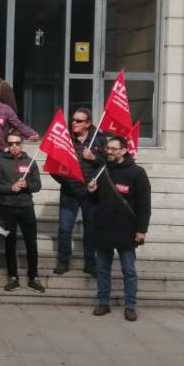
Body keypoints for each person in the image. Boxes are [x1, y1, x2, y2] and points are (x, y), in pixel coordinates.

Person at [88, 135, 151, 322]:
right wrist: (91, 191)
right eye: (108, 148)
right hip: (104, 228)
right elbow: (96, 201)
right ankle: (103, 302)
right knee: (102, 270)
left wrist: (141, 229)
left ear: (124, 150)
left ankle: (130, 306)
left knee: (129, 271)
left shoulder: (137, 173)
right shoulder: (102, 170)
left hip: (126, 229)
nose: (109, 152)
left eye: (114, 149)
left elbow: (144, 205)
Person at [52, 108, 106, 277]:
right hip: (69, 192)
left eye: (79, 120)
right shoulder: (65, 138)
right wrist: (67, 181)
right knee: (64, 229)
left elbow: (108, 163)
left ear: (88, 123)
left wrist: (93, 158)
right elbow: (54, 167)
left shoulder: (99, 138)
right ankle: (63, 261)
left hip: (91, 193)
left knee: (91, 230)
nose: (74, 122)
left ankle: (90, 263)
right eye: (73, 119)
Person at [0, 135, 46, 293]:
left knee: (31, 242)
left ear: (22, 144)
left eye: (17, 143)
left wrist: (26, 185)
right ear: (6, 145)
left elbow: (38, 185)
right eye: (11, 143)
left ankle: (33, 277)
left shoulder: (30, 161)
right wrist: (11, 188)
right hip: (7, 207)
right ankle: (13, 277)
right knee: (10, 243)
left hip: (26, 207)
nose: (14, 146)